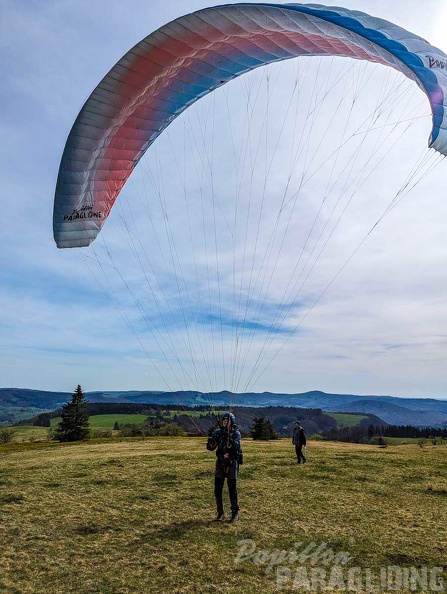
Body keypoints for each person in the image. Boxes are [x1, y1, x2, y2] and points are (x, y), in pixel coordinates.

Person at [206, 412, 242, 522]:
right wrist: (210, 444)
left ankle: (235, 513)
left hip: (232, 462)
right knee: (218, 488)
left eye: (227, 420)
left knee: (232, 488)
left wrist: (229, 438)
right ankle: (220, 514)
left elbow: (236, 448)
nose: (225, 421)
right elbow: (211, 447)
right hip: (221, 462)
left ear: (232, 421)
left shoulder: (236, 433)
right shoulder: (217, 433)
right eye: (224, 419)